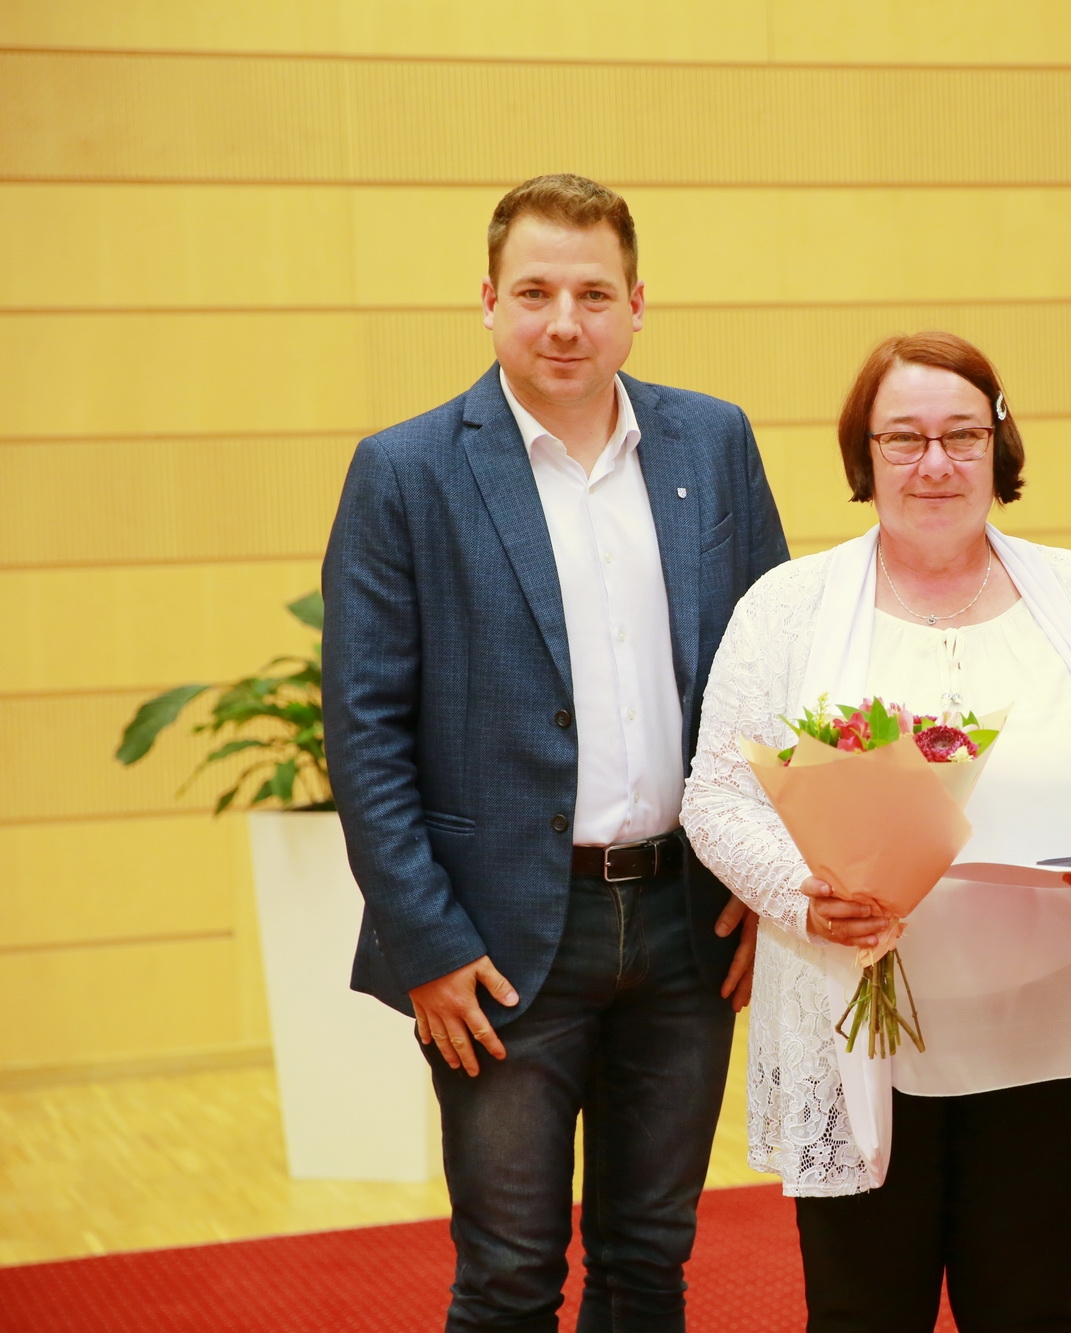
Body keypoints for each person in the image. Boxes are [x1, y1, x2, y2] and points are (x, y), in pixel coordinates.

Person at [322, 172, 789, 1332]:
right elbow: (365, 730)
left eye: (593, 293)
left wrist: (765, 879)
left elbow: (774, 675)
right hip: (494, 943)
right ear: (488, 301)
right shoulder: (406, 472)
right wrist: (427, 942)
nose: (564, 321)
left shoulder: (712, 441)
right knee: (508, 1274)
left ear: (638, 303)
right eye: (534, 292)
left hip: (686, 924)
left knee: (648, 1261)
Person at [681, 332, 1071, 1333]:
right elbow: (717, 795)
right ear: (863, 454)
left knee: (1032, 1312)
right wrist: (802, 898)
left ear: (999, 447)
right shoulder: (786, 608)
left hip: (1046, 1033)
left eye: (962, 435)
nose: (935, 463)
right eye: (903, 438)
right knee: (863, 1315)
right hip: (858, 1029)